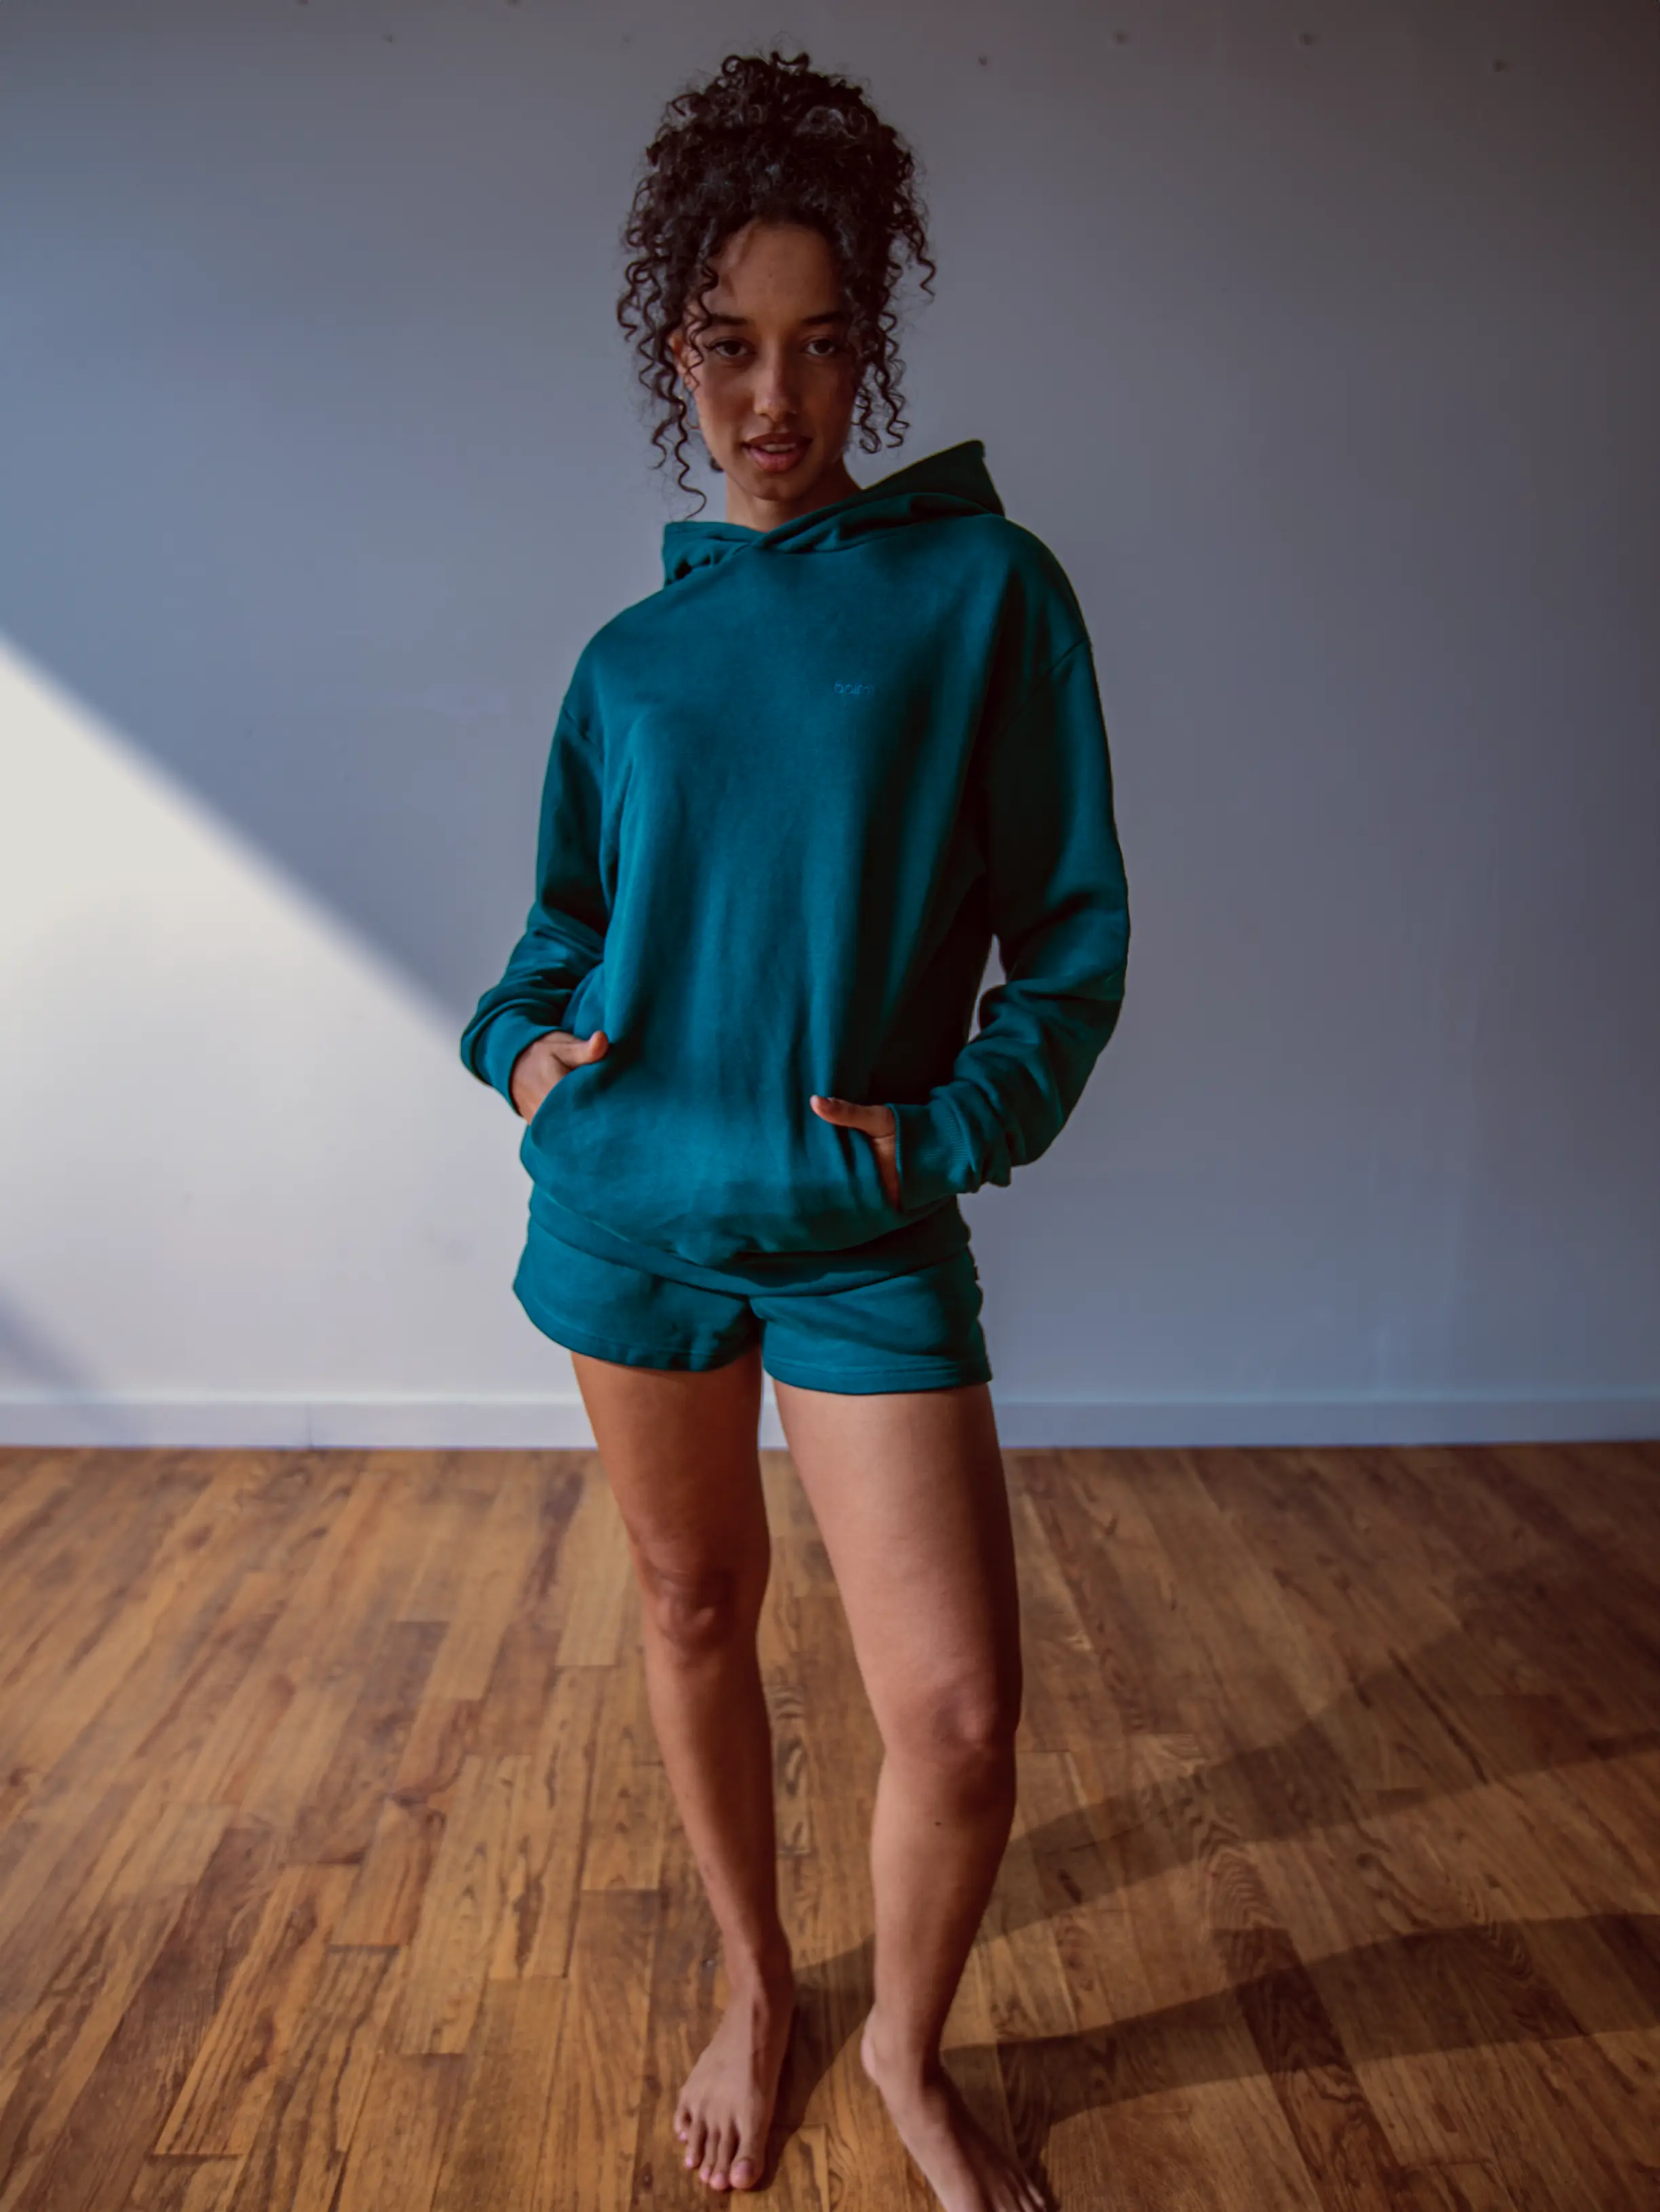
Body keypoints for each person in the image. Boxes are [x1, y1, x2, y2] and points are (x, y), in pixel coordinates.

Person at [459, 48, 1130, 2211]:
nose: (778, 398)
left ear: (870, 347)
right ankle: (759, 1979)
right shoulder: (629, 658)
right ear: (680, 352)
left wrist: (946, 1132)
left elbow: (1074, 943)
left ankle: (913, 2056)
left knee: (952, 1714)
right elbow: (553, 937)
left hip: (856, 1225)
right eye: (733, 349)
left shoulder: (983, 595)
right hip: (631, 1216)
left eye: (821, 346)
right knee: (687, 1604)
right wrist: (516, 1047)